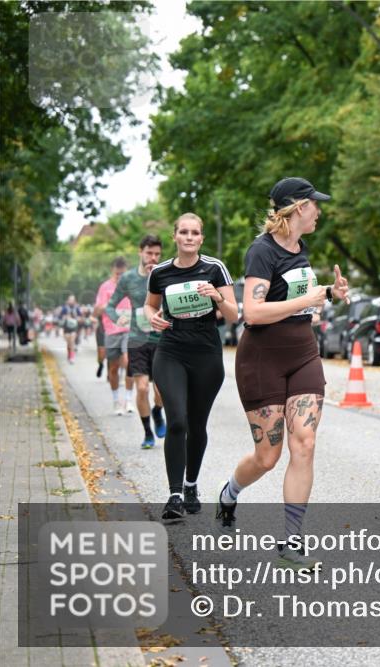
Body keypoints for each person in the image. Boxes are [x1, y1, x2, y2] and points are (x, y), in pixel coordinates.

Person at [217, 177, 348, 569]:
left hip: (303, 354)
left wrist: (327, 293)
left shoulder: (300, 249)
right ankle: (229, 494)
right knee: (267, 456)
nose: (319, 211)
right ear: (295, 208)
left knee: (304, 442)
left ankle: (292, 541)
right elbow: (252, 312)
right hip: (263, 359)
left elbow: (294, 300)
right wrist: (307, 299)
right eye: (314, 204)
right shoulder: (261, 251)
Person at [146, 213, 237, 523]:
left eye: (194, 232)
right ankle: (173, 495)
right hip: (171, 350)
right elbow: (149, 304)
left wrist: (217, 298)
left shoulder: (214, 268)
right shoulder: (160, 272)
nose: (188, 236)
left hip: (206, 353)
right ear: (175, 236)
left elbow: (234, 314)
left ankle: (190, 485)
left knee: (197, 425)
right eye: (183, 232)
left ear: (201, 238)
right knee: (177, 421)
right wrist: (151, 317)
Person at [106, 235, 167, 449]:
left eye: (157, 254)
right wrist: (117, 318)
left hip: (160, 339)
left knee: (160, 390)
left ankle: (158, 411)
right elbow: (110, 306)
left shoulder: (165, 275)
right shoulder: (128, 278)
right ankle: (148, 433)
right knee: (142, 388)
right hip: (137, 340)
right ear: (140, 252)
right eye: (149, 253)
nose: (153, 258)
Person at [94, 257, 135, 415]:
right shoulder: (105, 287)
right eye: (117, 274)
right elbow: (97, 310)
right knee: (113, 368)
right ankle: (116, 401)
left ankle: (129, 400)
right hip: (111, 331)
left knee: (128, 361)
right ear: (113, 271)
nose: (120, 277)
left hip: (128, 329)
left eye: (122, 274)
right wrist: (108, 304)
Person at [58, 295, 82, 363]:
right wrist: (64, 317)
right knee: (69, 342)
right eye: (70, 300)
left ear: (74, 301)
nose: (71, 301)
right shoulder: (65, 308)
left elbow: (80, 317)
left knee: (72, 341)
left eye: (72, 300)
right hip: (66, 327)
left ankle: (72, 357)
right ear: (68, 301)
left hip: (74, 327)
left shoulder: (76, 308)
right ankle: (69, 354)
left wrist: (77, 318)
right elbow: (60, 317)